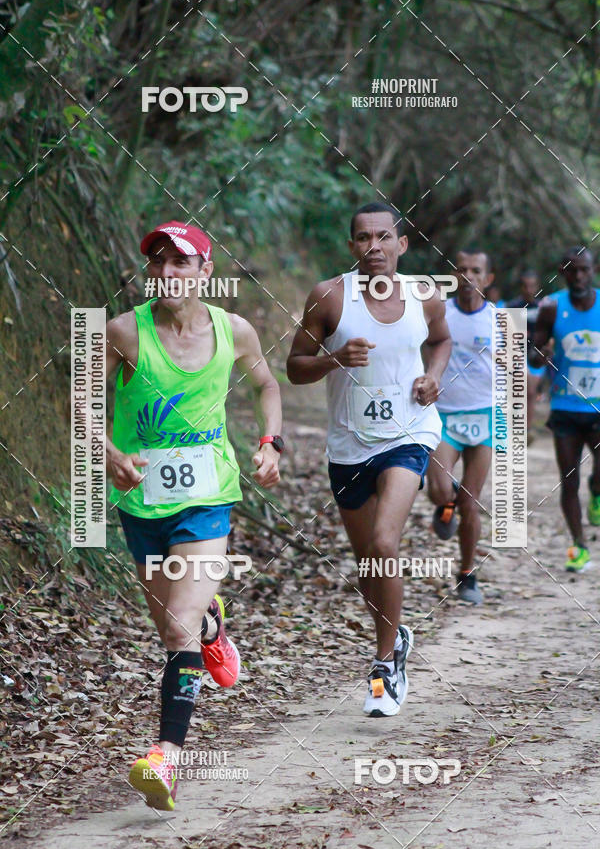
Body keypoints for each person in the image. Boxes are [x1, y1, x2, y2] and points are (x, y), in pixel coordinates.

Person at [105, 221, 283, 809]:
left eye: (182, 263)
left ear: (206, 273)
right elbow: (81, 403)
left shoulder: (235, 331)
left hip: (208, 498)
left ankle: (165, 758)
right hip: (142, 504)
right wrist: (107, 453)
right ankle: (212, 625)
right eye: (159, 262)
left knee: (174, 629)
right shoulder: (123, 333)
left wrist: (270, 442)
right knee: (176, 630)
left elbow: (266, 385)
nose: (168, 273)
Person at [286, 202, 451, 717]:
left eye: (384, 237)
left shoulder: (425, 294)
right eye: (363, 238)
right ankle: (395, 633)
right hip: (350, 445)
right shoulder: (330, 296)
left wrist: (433, 377)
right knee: (368, 565)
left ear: (403, 244)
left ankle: (386, 666)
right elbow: (294, 368)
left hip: (409, 434)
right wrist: (334, 358)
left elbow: (442, 340)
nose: (373, 247)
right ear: (352, 245)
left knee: (384, 541)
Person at [427, 249, 495, 605]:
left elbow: (515, 376)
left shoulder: (500, 321)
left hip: (483, 418)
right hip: (445, 416)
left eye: (476, 270)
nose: (468, 276)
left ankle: (467, 573)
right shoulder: (441, 313)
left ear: (488, 278)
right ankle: (444, 504)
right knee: (440, 489)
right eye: (462, 269)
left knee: (471, 502)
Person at [532, 246, 600, 572]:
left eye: (584, 270)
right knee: (568, 478)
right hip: (564, 405)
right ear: (562, 272)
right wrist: (540, 355)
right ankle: (579, 546)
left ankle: (597, 493)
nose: (579, 277)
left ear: (593, 270)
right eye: (572, 271)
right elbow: (534, 353)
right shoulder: (551, 307)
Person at [507, 270, 545, 440]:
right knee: (519, 392)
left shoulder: (543, 308)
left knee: (530, 392)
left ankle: (526, 429)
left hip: (536, 358)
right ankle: (515, 425)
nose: (529, 289)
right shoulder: (513, 307)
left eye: (532, 286)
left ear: (537, 287)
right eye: (525, 286)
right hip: (517, 357)